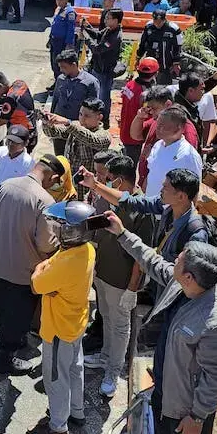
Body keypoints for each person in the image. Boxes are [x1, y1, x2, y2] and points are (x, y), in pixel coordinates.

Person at [102, 210, 217, 434]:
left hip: (187, 412)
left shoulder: (216, 322)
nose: (173, 259)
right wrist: (122, 233)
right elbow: (152, 262)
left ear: (189, 275)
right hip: (165, 395)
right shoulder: (182, 285)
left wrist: (198, 417)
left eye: (179, 258)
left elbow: (216, 378)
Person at [25, 200, 97, 434]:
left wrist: (39, 270)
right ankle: (76, 412)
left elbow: (36, 284)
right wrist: (47, 271)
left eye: (60, 226)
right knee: (75, 369)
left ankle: (57, 425)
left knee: (56, 377)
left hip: (58, 328)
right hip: (76, 323)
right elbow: (53, 262)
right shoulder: (86, 250)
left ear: (70, 230)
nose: (55, 229)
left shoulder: (66, 262)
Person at [0, 155, 61, 374]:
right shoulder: (45, 201)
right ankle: (4, 360)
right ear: (52, 176)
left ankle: (11, 340)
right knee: (19, 317)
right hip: (24, 273)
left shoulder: (4, 186)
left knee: (3, 311)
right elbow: (46, 243)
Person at [84, 155, 149, 397]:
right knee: (107, 318)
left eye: (107, 179)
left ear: (120, 181)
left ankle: (113, 371)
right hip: (102, 274)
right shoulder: (107, 198)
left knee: (120, 327)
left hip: (121, 282)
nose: (102, 181)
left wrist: (132, 288)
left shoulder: (141, 210)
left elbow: (142, 255)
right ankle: (105, 357)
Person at [41, 99, 112, 176]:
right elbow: (53, 133)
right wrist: (47, 123)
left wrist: (68, 123)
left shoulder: (104, 136)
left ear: (99, 117)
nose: (82, 119)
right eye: (80, 114)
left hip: (87, 184)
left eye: (87, 116)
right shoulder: (75, 126)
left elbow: (91, 139)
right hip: (69, 179)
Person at [81, 9, 123, 127]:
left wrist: (86, 39)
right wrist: (87, 27)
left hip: (105, 71)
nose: (105, 20)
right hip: (98, 67)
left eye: (108, 18)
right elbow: (98, 35)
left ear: (115, 20)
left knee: (103, 97)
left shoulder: (115, 37)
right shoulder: (109, 30)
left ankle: (104, 120)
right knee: (96, 93)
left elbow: (97, 49)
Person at [117, 57, 159, 162]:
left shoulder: (130, 84)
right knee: (132, 164)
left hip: (125, 129)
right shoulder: (144, 94)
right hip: (135, 135)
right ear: (156, 74)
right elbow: (148, 113)